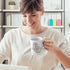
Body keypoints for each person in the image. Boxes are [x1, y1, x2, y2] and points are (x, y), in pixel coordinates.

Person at [0, 0, 70, 70]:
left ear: (42, 11)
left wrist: (56, 50)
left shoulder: (56, 35)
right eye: (24, 16)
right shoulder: (12, 36)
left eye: (33, 15)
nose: (28, 21)